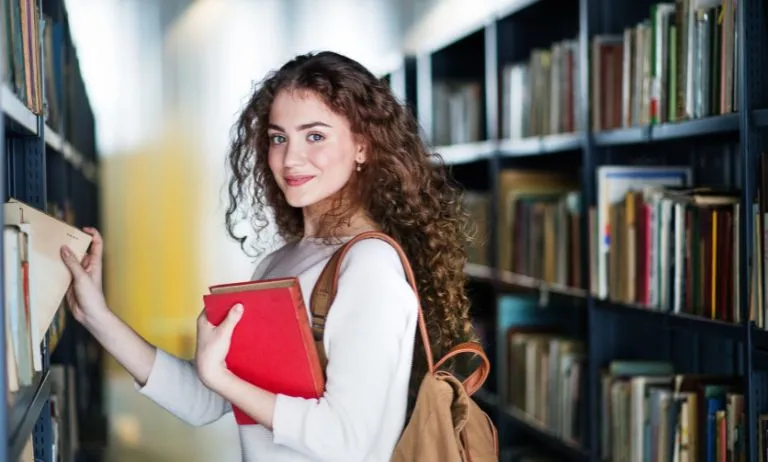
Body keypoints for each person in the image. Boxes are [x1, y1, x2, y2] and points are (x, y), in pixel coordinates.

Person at [59, 50, 476, 462]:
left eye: (315, 136)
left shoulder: (369, 267)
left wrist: (220, 377)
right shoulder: (279, 263)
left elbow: (346, 441)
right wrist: (96, 315)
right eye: (279, 138)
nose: (290, 158)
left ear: (363, 146)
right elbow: (204, 400)